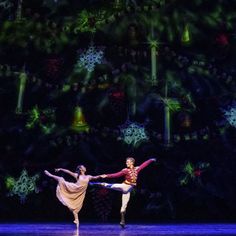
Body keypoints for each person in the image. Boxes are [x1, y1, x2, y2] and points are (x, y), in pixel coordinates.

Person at [92, 157, 156, 228]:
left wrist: (151, 160)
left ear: (132, 162)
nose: (126, 163)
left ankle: (122, 221)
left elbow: (144, 165)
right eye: (126, 162)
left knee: (123, 209)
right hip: (124, 186)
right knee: (109, 185)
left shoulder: (137, 169)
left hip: (127, 191)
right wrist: (107, 175)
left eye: (128, 162)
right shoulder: (125, 170)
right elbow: (116, 175)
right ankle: (93, 184)